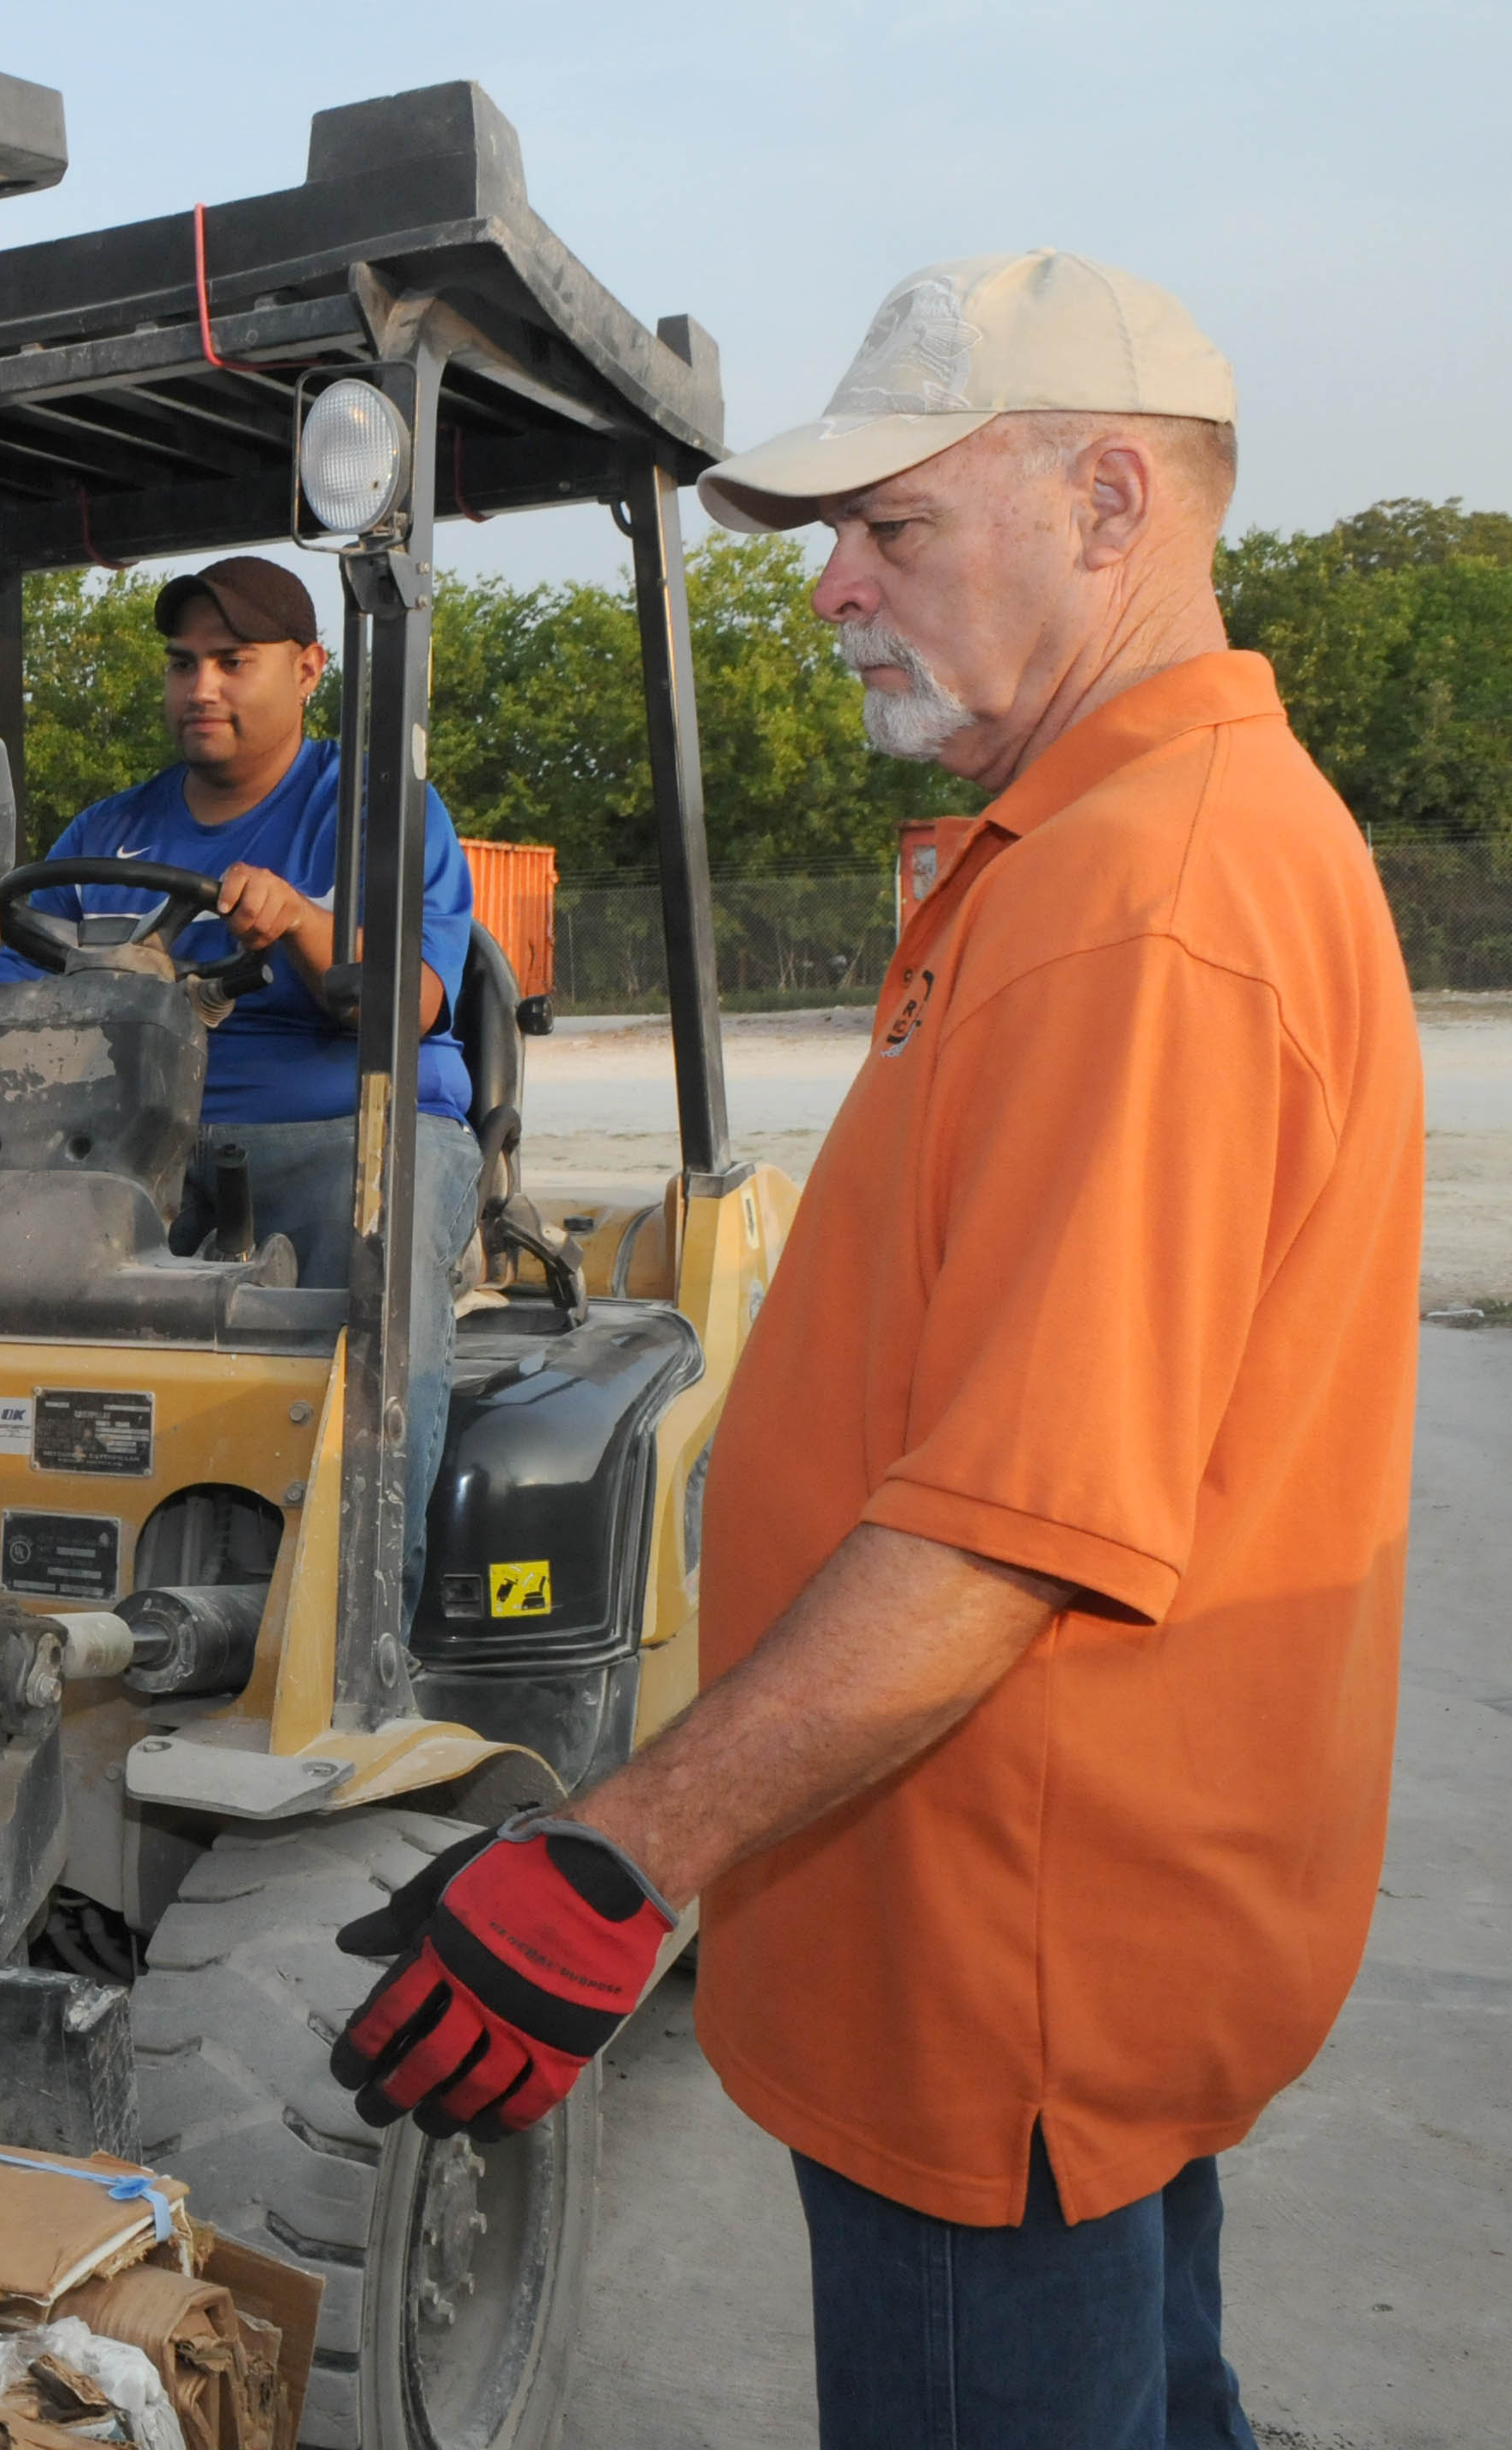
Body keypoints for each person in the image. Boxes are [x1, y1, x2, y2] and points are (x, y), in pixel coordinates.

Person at [319, 254, 1419, 2450]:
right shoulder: (1085, 847)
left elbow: (1007, 1530)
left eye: (887, 526)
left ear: (1108, 503)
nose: (829, 588)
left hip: (988, 1952)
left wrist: (616, 1851)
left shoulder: (1146, 899)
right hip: (1059, 1931)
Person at [0, 552, 481, 1600]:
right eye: (182, 663)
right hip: (126, 1152)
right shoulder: (110, 830)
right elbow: (6, 997)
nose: (200, 687)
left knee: (376, 1275)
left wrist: (296, 916)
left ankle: (365, 1617)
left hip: (351, 1132)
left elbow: (413, 1000)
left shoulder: (379, 809)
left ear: (306, 669)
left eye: (231, 661)